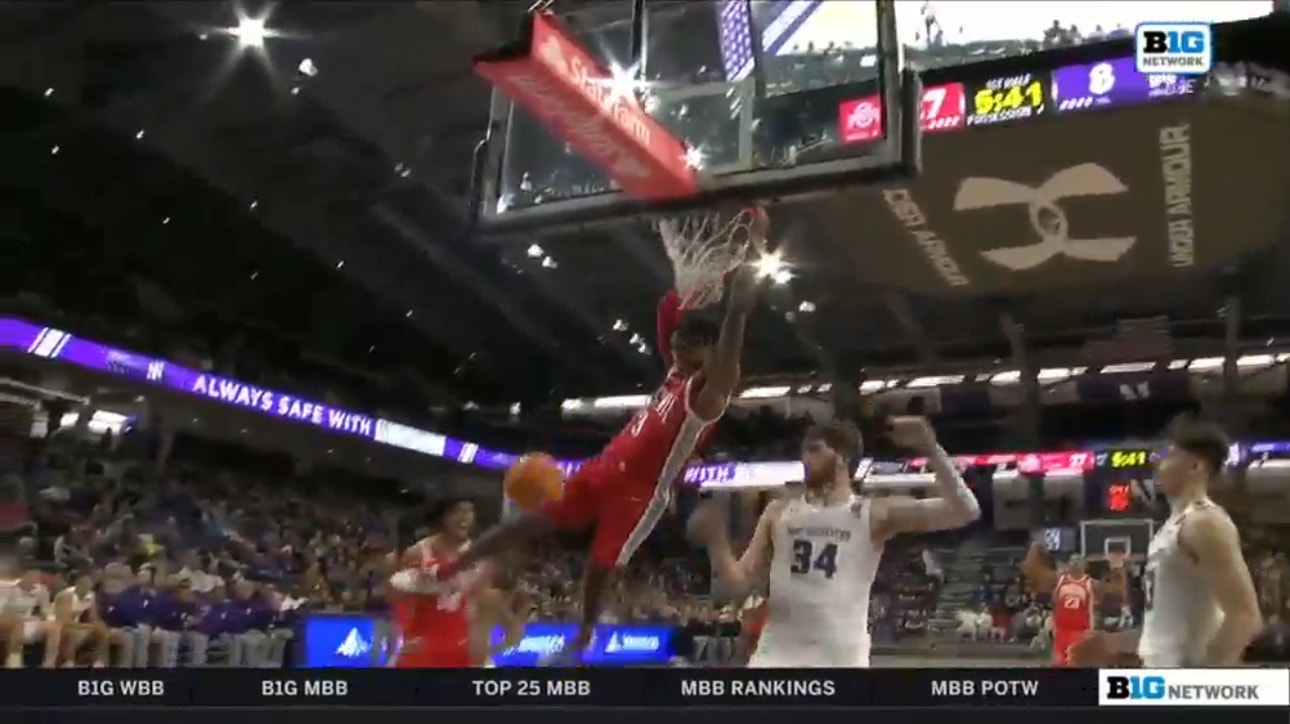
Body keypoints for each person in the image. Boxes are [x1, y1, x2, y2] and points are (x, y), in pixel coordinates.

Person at [432, 220, 766, 662]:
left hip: (640, 492)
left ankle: (585, 634)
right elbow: (668, 309)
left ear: (707, 350)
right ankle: (450, 570)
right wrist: (707, 278)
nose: (676, 345)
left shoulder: (706, 395)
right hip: (603, 468)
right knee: (527, 520)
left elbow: (726, 369)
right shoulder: (676, 371)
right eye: (680, 342)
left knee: (600, 563)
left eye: (688, 343)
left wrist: (737, 311)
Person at [689, 416, 981, 667]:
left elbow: (965, 510)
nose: (805, 458)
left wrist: (929, 446)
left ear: (842, 457)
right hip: (775, 657)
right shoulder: (777, 511)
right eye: (804, 450)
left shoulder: (874, 513)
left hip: (840, 661)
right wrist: (717, 543)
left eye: (815, 450)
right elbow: (738, 585)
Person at [1071, 415, 1263, 667]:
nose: (1157, 462)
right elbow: (1167, 633)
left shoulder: (1204, 523)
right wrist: (1112, 643)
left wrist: (1200, 687)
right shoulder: (1171, 528)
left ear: (1195, 466)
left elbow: (1245, 618)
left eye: (1170, 455)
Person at [388, 499, 484, 668]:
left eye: (470, 511)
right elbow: (398, 598)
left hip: (459, 644)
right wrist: (406, 634)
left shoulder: (476, 555)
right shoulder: (418, 552)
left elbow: (477, 603)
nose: (466, 516)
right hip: (422, 644)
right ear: (443, 517)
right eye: (458, 510)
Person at [1021, 546, 1125, 666]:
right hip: (1061, 632)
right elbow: (1036, 574)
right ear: (1068, 565)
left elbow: (1117, 589)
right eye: (1072, 561)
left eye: (1078, 561)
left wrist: (1117, 567)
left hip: (1081, 634)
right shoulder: (1059, 580)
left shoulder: (1091, 584)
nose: (1075, 563)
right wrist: (1035, 552)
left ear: (1084, 566)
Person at [0, 570, 61, 668]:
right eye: (32, 574)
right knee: (17, 621)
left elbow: (46, 611)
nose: (35, 578)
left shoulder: (41, 590)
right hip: (6, 621)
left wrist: (45, 616)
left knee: (54, 627)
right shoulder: (5, 587)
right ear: (24, 575)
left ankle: (49, 664)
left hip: (27, 621)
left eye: (38, 575)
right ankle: (13, 662)